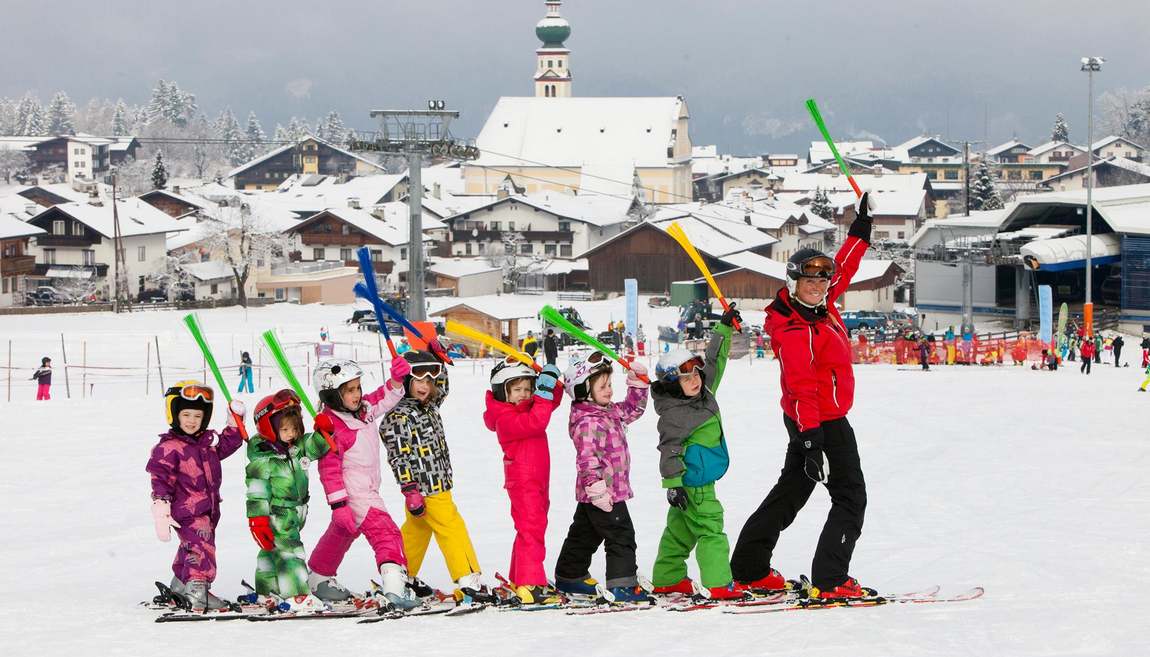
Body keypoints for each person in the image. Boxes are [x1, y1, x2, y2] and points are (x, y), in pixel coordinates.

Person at [730, 191, 876, 601]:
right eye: (808, 280)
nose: (817, 287)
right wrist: (812, 439)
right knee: (850, 496)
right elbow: (800, 388)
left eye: (821, 280)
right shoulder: (796, 330)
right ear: (793, 283)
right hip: (819, 420)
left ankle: (749, 568)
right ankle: (830, 579)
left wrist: (860, 230)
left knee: (791, 492)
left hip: (814, 419)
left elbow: (844, 269)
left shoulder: (820, 305)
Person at [381, 350, 495, 605]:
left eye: (429, 381)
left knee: (416, 530)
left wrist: (436, 355)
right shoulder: (398, 417)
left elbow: (442, 386)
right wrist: (410, 490)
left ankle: (402, 576)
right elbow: (398, 457)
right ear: (406, 381)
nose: (426, 386)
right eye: (419, 381)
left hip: (438, 482)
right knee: (451, 527)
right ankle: (467, 580)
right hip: (425, 488)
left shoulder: (428, 405)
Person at [649, 304, 746, 601]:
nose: (695, 380)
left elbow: (715, 360)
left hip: (698, 480)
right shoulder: (675, 415)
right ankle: (719, 583)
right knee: (710, 528)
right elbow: (669, 451)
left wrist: (724, 328)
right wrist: (673, 486)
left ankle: (668, 578)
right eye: (686, 377)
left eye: (696, 374)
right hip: (695, 484)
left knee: (680, 530)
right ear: (672, 385)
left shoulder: (703, 393)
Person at [307, 357, 416, 608]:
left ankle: (319, 578)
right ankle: (395, 589)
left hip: (365, 488)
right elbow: (329, 470)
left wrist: (396, 381)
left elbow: (383, 398)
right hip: (357, 494)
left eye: (358, 388)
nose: (357, 394)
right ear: (333, 396)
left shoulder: (363, 411)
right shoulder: (333, 427)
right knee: (386, 533)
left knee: (342, 533)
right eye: (349, 391)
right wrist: (339, 506)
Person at [554, 353, 650, 604]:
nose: (609, 390)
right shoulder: (587, 421)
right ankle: (623, 585)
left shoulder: (609, 411)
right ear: (584, 390)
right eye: (602, 386)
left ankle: (570, 574)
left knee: (585, 534)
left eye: (610, 385)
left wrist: (637, 383)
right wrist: (597, 490)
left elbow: (632, 409)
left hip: (603, 492)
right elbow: (586, 459)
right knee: (621, 535)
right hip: (603, 493)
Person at [146, 381, 245, 612]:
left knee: (190, 547)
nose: (191, 420)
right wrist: (161, 505)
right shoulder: (169, 447)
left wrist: (234, 421)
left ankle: (180, 586)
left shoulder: (207, 444)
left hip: (207, 510)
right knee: (201, 548)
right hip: (187, 511)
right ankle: (197, 590)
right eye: (186, 414)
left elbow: (230, 443)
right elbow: (159, 476)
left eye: (197, 416)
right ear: (174, 415)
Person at [244, 389, 338, 612]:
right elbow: (256, 491)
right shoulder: (264, 459)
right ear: (268, 428)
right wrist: (258, 519)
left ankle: (268, 590)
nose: (291, 434)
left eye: (295, 428)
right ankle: (296, 594)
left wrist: (325, 429)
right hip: (278, 513)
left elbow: (317, 446)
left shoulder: (297, 448)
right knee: (290, 551)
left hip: (296, 511)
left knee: (270, 552)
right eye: (284, 429)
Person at [482, 358, 564, 604]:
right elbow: (538, 420)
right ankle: (531, 583)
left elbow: (552, 400)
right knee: (531, 529)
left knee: (530, 528)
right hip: (523, 480)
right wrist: (543, 392)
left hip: (538, 480)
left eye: (528, 389)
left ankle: (520, 578)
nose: (524, 394)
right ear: (502, 391)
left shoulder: (529, 407)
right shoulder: (504, 419)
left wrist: (547, 378)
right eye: (517, 389)